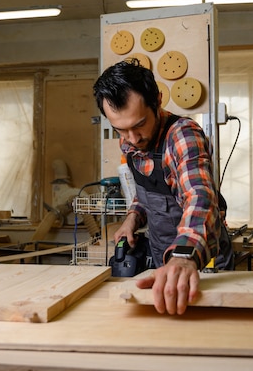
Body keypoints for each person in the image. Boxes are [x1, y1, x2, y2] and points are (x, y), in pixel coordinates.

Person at [93, 59, 234, 315]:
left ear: (157, 101)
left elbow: (199, 197)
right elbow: (145, 191)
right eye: (120, 130)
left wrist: (183, 257)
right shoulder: (129, 144)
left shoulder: (183, 135)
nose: (133, 139)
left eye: (139, 125)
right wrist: (132, 218)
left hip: (197, 261)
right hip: (162, 260)